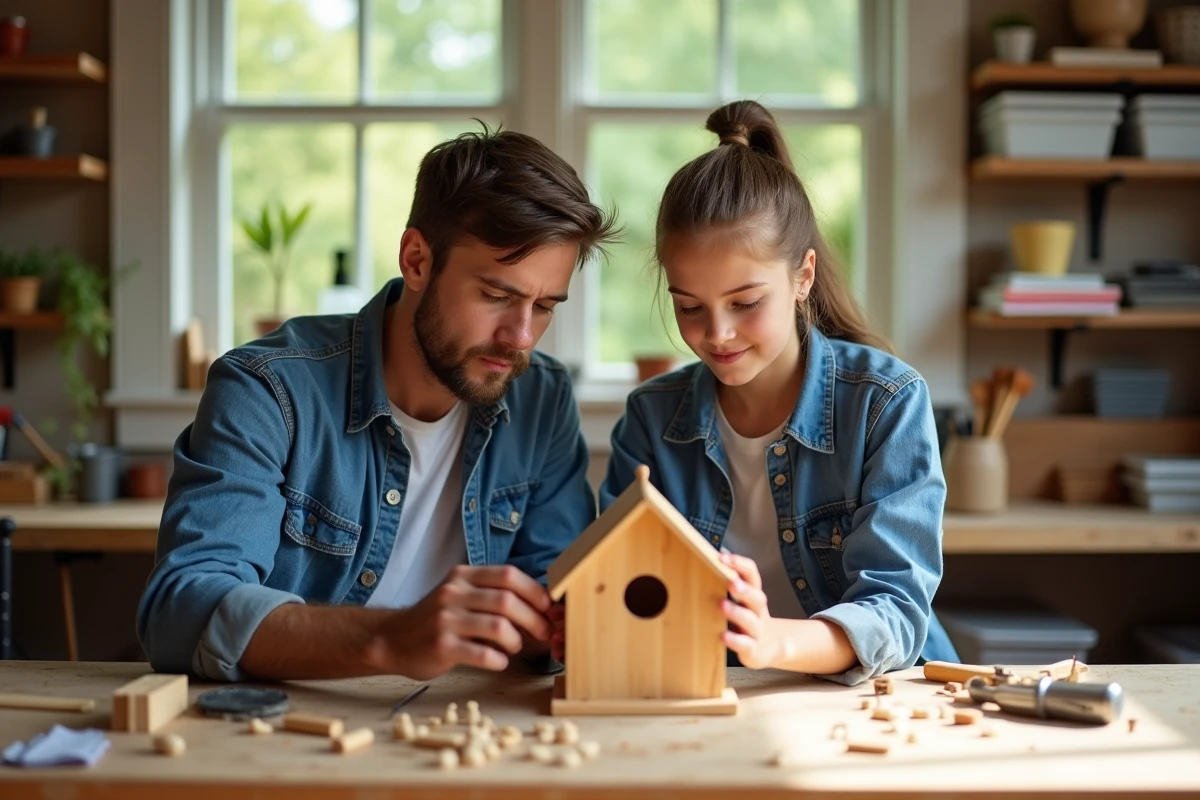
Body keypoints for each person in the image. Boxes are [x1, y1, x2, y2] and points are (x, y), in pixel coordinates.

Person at [138, 126, 619, 682]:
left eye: (544, 306)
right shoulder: (267, 389)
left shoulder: (542, 397)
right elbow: (181, 609)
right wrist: (390, 639)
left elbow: (557, 607)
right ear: (416, 259)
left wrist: (562, 623)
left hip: (465, 730)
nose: (521, 337)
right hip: (290, 734)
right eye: (496, 296)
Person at [596, 100, 957, 685]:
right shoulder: (650, 417)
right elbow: (620, 593)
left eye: (745, 303)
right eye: (689, 306)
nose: (716, 334)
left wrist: (770, 641)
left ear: (803, 276)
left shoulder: (885, 403)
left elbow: (895, 612)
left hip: (880, 697)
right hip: (714, 693)